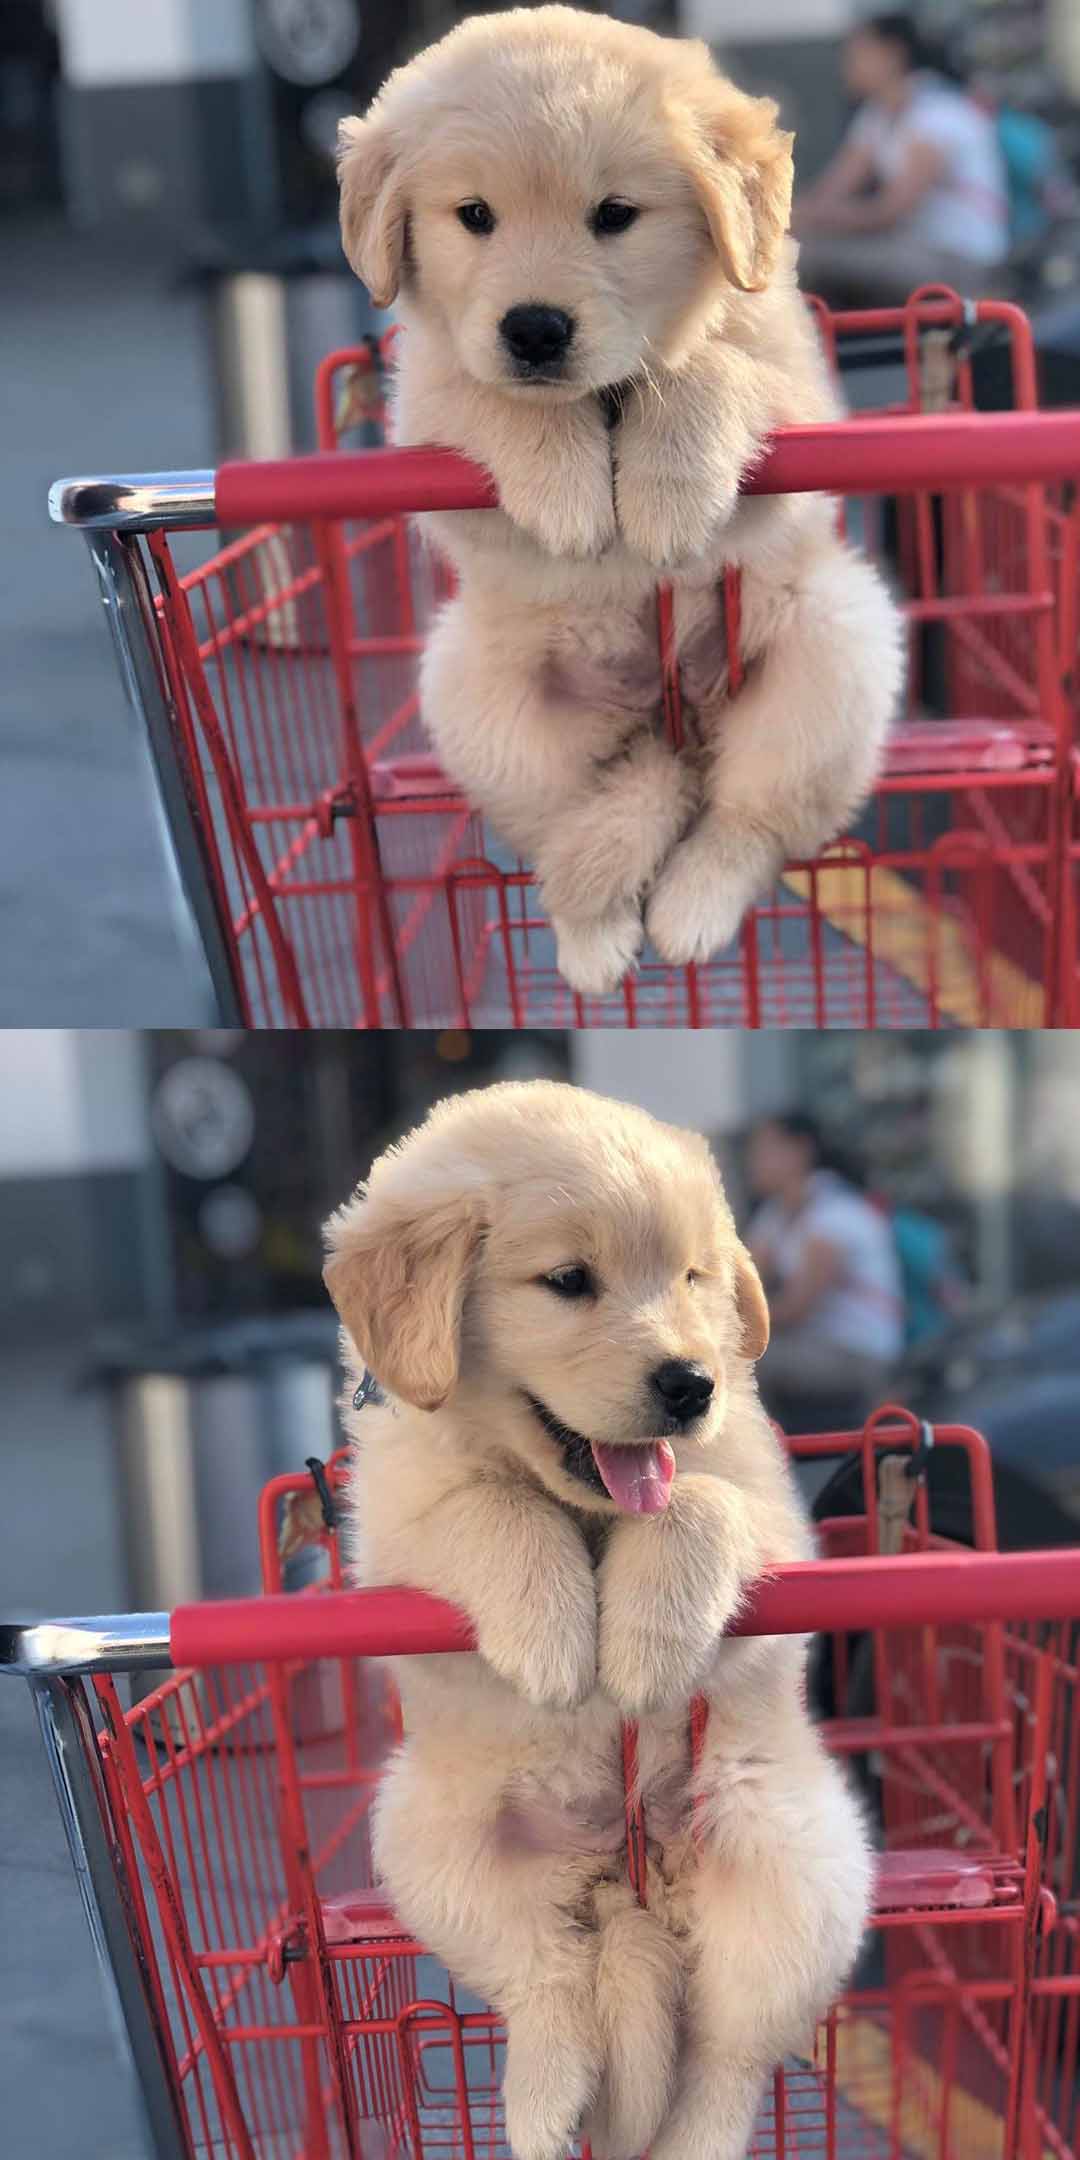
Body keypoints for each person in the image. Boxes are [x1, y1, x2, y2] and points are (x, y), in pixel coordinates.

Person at [794, 12, 1009, 308]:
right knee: (793, 250)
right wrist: (789, 217)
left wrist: (799, 220)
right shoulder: (876, 115)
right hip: (910, 250)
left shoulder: (936, 112)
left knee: (803, 257)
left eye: (858, 55)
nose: (847, 67)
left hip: (957, 260)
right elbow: (831, 191)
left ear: (892, 55)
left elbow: (888, 212)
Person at [746, 1112, 904, 1432]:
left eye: (764, 1150)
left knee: (738, 1365)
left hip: (855, 1355)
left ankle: (757, 1466)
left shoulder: (835, 1213)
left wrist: (726, 1323)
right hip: (810, 1346)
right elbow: (739, 1281)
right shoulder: (775, 1214)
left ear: (799, 1151)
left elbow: (796, 1308)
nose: (754, 1162)